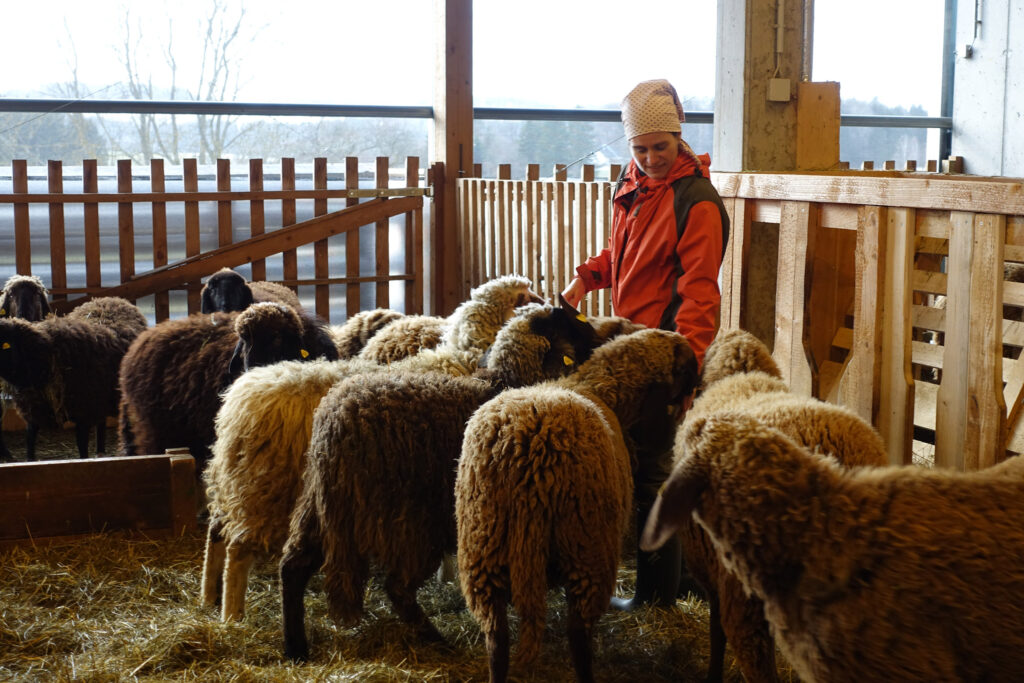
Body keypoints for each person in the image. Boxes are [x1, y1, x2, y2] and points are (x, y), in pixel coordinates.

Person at [561, 78, 729, 611]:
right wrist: (585, 279)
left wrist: (688, 369)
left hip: (664, 354)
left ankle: (656, 598)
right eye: (640, 148)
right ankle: (670, 577)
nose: (652, 157)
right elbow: (621, 254)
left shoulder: (695, 202)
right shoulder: (630, 185)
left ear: (680, 137)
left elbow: (699, 294)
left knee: (656, 466)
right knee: (637, 459)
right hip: (627, 347)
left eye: (662, 146)